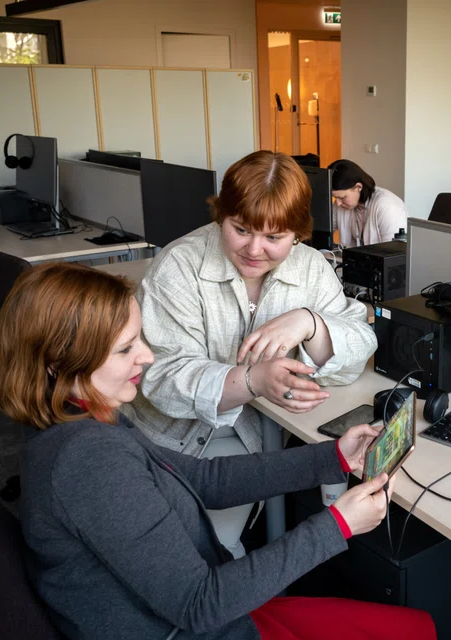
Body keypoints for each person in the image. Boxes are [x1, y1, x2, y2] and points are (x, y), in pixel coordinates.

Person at [0, 262, 436, 640]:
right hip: (200, 626)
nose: (147, 357)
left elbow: (202, 480)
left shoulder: (79, 416)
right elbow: (201, 604)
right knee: (410, 631)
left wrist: (334, 456)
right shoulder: (89, 462)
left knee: (409, 627)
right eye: (124, 349)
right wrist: (338, 525)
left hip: (197, 618)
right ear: (58, 363)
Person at [128, 150, 377, 559]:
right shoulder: (179, 266)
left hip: (253, 439)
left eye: (275, 237)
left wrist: (309, 321)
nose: (254, 250)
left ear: (297, 233)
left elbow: (358, 349)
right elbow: (162, 379)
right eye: (241, 229)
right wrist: (252, 381)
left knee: (220, 553)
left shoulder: (311, 268)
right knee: (200, 557)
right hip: (177, 442)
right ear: (220, 216)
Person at [328, 159, 408, 247]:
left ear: (358, 187)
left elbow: (393, 252)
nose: (338, 203)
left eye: (342, 197)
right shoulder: (341, 204)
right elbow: (323, 232)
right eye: (335, 197)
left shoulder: (387, 206)